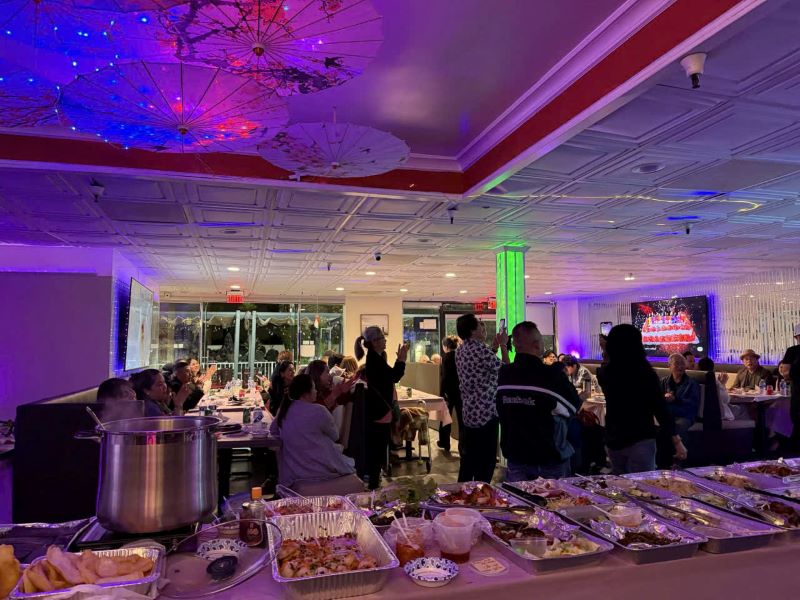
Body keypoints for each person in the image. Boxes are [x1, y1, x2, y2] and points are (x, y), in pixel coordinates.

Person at [496, 321, 581, 480]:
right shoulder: (550, 375)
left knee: (518, 497)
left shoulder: (504, 374)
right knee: (553, 497)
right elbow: (573, 406)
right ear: (536, 344)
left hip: (515, 457)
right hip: (547, 460)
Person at [597, 325, 686, 474]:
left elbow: (607, 364)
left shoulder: (605, 374)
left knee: (619, 484)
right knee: (643, 484)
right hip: (640, 437)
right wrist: (676, 441)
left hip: (614, 438)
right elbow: (660, 408)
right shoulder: (646, 374)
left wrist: (607, 351)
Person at [269, 374, 361, 491]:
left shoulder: (284, 410)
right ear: (306, 393)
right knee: (350, 464)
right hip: (317, 469)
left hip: (292, 470)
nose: (316, 391)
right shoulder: (319, 411)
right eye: (314, 388)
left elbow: (273, 431)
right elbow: (335, 435)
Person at [455, 313, 509, 483]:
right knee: (486, 462)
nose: (483, 327)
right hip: (486, 412)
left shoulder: (460, 350)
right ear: (473, 330)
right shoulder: (480, 350)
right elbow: (507, 371)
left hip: (470, 412)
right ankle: (481, 493)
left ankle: (461, 493)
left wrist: (493, 348)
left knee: (469, 459)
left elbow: (481, 367)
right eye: (479, 325)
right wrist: (503, 345)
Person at [354, 326, 408, 489]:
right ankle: (374, 484)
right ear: (375, 342)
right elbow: (394, 376)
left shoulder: (375, 358)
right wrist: (401, 360)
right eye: (383, 338)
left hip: (378, 410)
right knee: (377, 449)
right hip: (379, 411)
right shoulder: (375, 360)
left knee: (377, 448)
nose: (385, 341)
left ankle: (374, 480)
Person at [658, 353, 700, 468]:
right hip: (669, 415)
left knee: (678, 425)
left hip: (685, 415)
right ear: (669, 366)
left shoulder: (692, 383)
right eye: (677, 364)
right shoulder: (663, 381)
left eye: (682, 364)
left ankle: (679, 461)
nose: (680, 366)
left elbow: (693, 403)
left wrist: (675, 399)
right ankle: (661, 461)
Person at [438, 336, 462, 453]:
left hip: (449, 392)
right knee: (462, 420)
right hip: (461, 391)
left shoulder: (446, 357)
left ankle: (445, 442)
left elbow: (445, 377)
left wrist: (442, 393)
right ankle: (463, 446)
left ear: (446, 346)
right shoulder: (461, 356)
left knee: (445, 418)